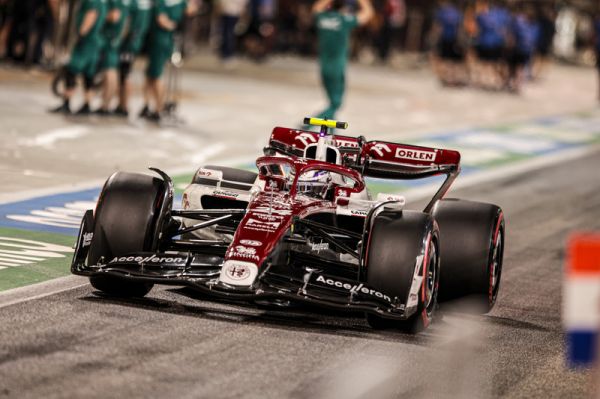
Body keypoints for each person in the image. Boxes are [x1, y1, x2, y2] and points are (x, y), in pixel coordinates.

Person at [312, 0, 373, 121]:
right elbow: (368, 14)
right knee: (336, 103)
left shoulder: (323, 17)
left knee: (331, 102)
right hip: (337, 67)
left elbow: (316, 7)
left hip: (324, 66)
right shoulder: (344, 20)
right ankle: (309, 124)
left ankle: (331, 131)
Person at [140, 0, 194, 123]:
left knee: (156, 75)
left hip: (160, 40)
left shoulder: (162, 2)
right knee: (150, 74)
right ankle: (148, 104)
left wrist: (172, 25)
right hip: (166, 40)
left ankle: (159, 108)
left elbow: (162, 19)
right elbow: (191, 10)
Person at [50, 0, 107, 114]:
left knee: (72, 70)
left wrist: (81, 33)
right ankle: (87, 104)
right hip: (94, 41)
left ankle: (67, 103)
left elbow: (91, 14)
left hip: (87, 41)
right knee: (88, 74)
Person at [114, 0, 153, 117]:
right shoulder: (146, 4)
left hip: (130, 41)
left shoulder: (135, 4)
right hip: (137, 40)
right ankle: (122, 104)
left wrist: (120, 38)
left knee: (125, 74)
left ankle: (124, 105)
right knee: (125, 73)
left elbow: (126, 23)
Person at [96, 0, 131, 115]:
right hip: (115, 38)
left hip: (110, 37)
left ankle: (105, 104)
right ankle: (107, 103)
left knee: (110, 71)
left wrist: (99, 14)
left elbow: (115, 16)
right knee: (113, 71)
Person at [474, 0, 509, 89]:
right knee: (494, 63)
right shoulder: (502, 13)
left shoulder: (483, 15)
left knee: (487, 62)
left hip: (490, 42)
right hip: (493, 42)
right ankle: (492, 80)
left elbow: (477, 25)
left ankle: (491, 80)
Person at [431, 0, 465, 86]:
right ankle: (451, 78)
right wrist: (461, 40)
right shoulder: (457, 13)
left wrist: (434, 37)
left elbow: (438, 27)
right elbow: (459, 29)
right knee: (453, 60)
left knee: (444, 59)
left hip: (445, 39)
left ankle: (446, 78)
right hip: (453, 39)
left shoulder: (442, 12)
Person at [507, 5, 537, 93]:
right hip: (527, 50)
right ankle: (518, 85)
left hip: (518, 49)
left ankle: (514, 84)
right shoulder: (534, 25)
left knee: (515, 67)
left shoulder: (518, 22)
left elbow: (511, 37)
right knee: (521, 67)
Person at [217, 0, 249, 67]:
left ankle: (227, 53)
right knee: (229, 33)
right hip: (231, 11)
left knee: (228, 33)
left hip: (230, 11)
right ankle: (227, 54)